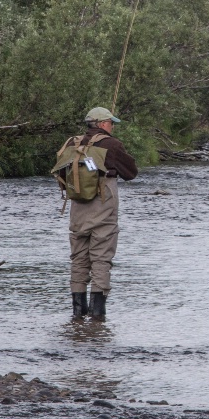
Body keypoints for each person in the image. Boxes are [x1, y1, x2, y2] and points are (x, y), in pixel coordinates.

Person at [67, 106, 137, 321]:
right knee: (101, 259)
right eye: (111, 123)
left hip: (78, 209)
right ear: (103, 124)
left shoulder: (72, 143)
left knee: (78, 259)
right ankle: (98, 316)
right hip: (103, 208)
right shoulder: (111, 144)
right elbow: (131, 173)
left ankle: (78, 314)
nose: (113, 126)